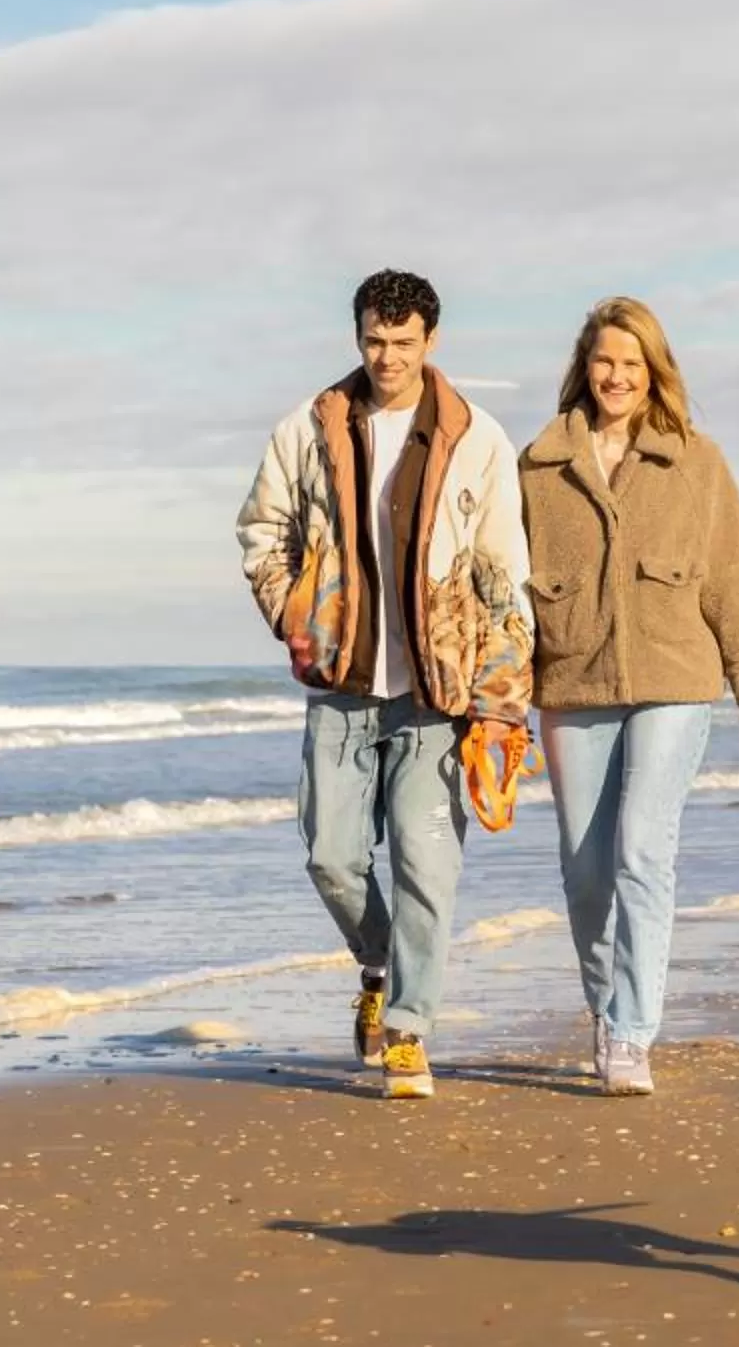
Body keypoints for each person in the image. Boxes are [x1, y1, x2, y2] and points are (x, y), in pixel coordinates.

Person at [235, 269, 534, 1099]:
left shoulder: (477, 438)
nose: (388, 356)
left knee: (424, 866)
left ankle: (409, 1029)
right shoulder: (310, 426)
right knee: (331, 856)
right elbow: (262, 530)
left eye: (403, 343)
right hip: (340, 683)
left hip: (438, 693)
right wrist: (298, 614)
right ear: (357, 336)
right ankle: (379, 964)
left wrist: (503, 703)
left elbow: (505, 575)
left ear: (431, 341)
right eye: (375, 340)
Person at [516, 296, 739, 1096]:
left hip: (675, 677)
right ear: (583, 367)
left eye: (633, 364)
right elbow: (508, 588)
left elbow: (735, 574)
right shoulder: (539, 467)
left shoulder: (695, 460)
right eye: (605, 361)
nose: (617, 377)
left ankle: (632, 1033)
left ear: (655, 371)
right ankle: (605, 1009)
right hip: (571, 678)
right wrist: (497, 697)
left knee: (640, 850)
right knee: (586, 869)